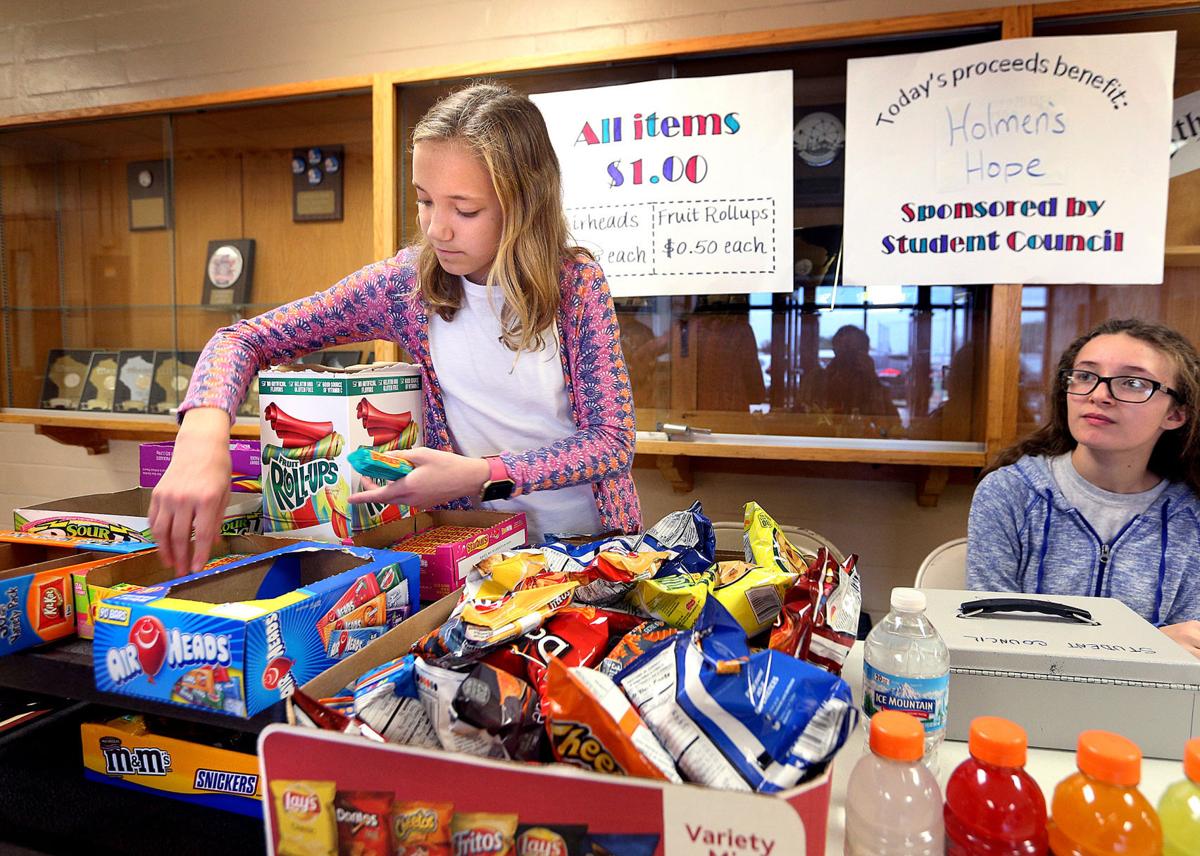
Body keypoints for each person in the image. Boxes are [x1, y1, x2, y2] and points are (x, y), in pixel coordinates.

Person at [149, 81, 640, 573]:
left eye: (464, 209)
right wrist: (203, 432)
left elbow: (612, 442)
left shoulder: (575, 283)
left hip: (592, 549)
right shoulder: (406, 284)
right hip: (476, 555)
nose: (437, 229)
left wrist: (480, 475)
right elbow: (243, 338)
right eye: (425, 200)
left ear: (525, 202)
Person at [967, 318, 1200, 659]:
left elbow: (1189, 649)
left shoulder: (1191, 515)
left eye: (1133, 382)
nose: (1099, 395)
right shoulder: (1009, 492)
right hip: (1025, 701)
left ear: (1176, 414)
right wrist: (1150, 643)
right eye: (1086, 376)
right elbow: (987, 636)